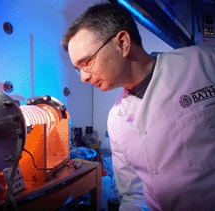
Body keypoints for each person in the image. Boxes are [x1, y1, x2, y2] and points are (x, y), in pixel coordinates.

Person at [61, 2, 215, 211]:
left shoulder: (204, 62)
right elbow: (134, 195)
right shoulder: (116, 120)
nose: (84, 77)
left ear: (122, 43)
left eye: (87, 62)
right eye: (78, 69)